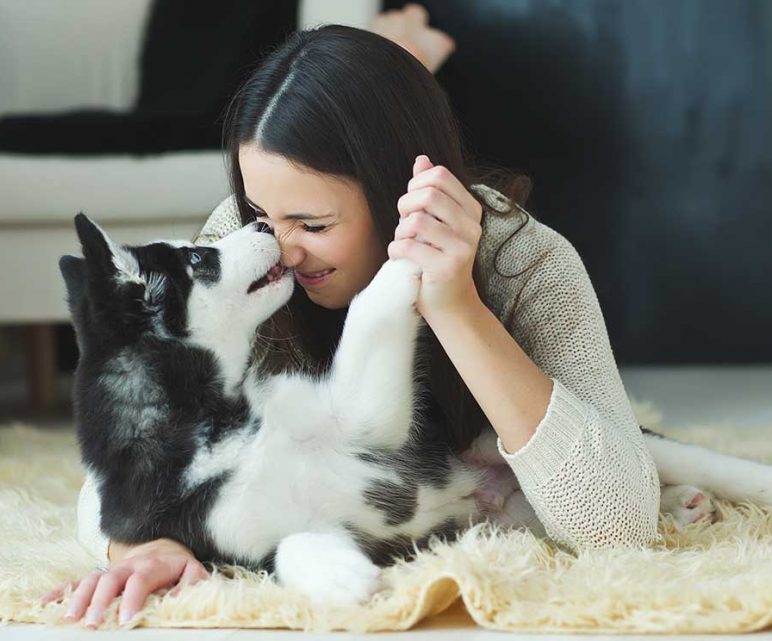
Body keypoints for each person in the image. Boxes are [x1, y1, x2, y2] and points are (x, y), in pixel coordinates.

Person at [46, 11, 661, 629]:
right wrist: (147, 544)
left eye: (313, 226)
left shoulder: (524, 261)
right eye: (259, 211)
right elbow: (124, 467)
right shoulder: (243, 249)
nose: (280, 248)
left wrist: (453, 304)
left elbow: (619, 522)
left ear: (398, 193)